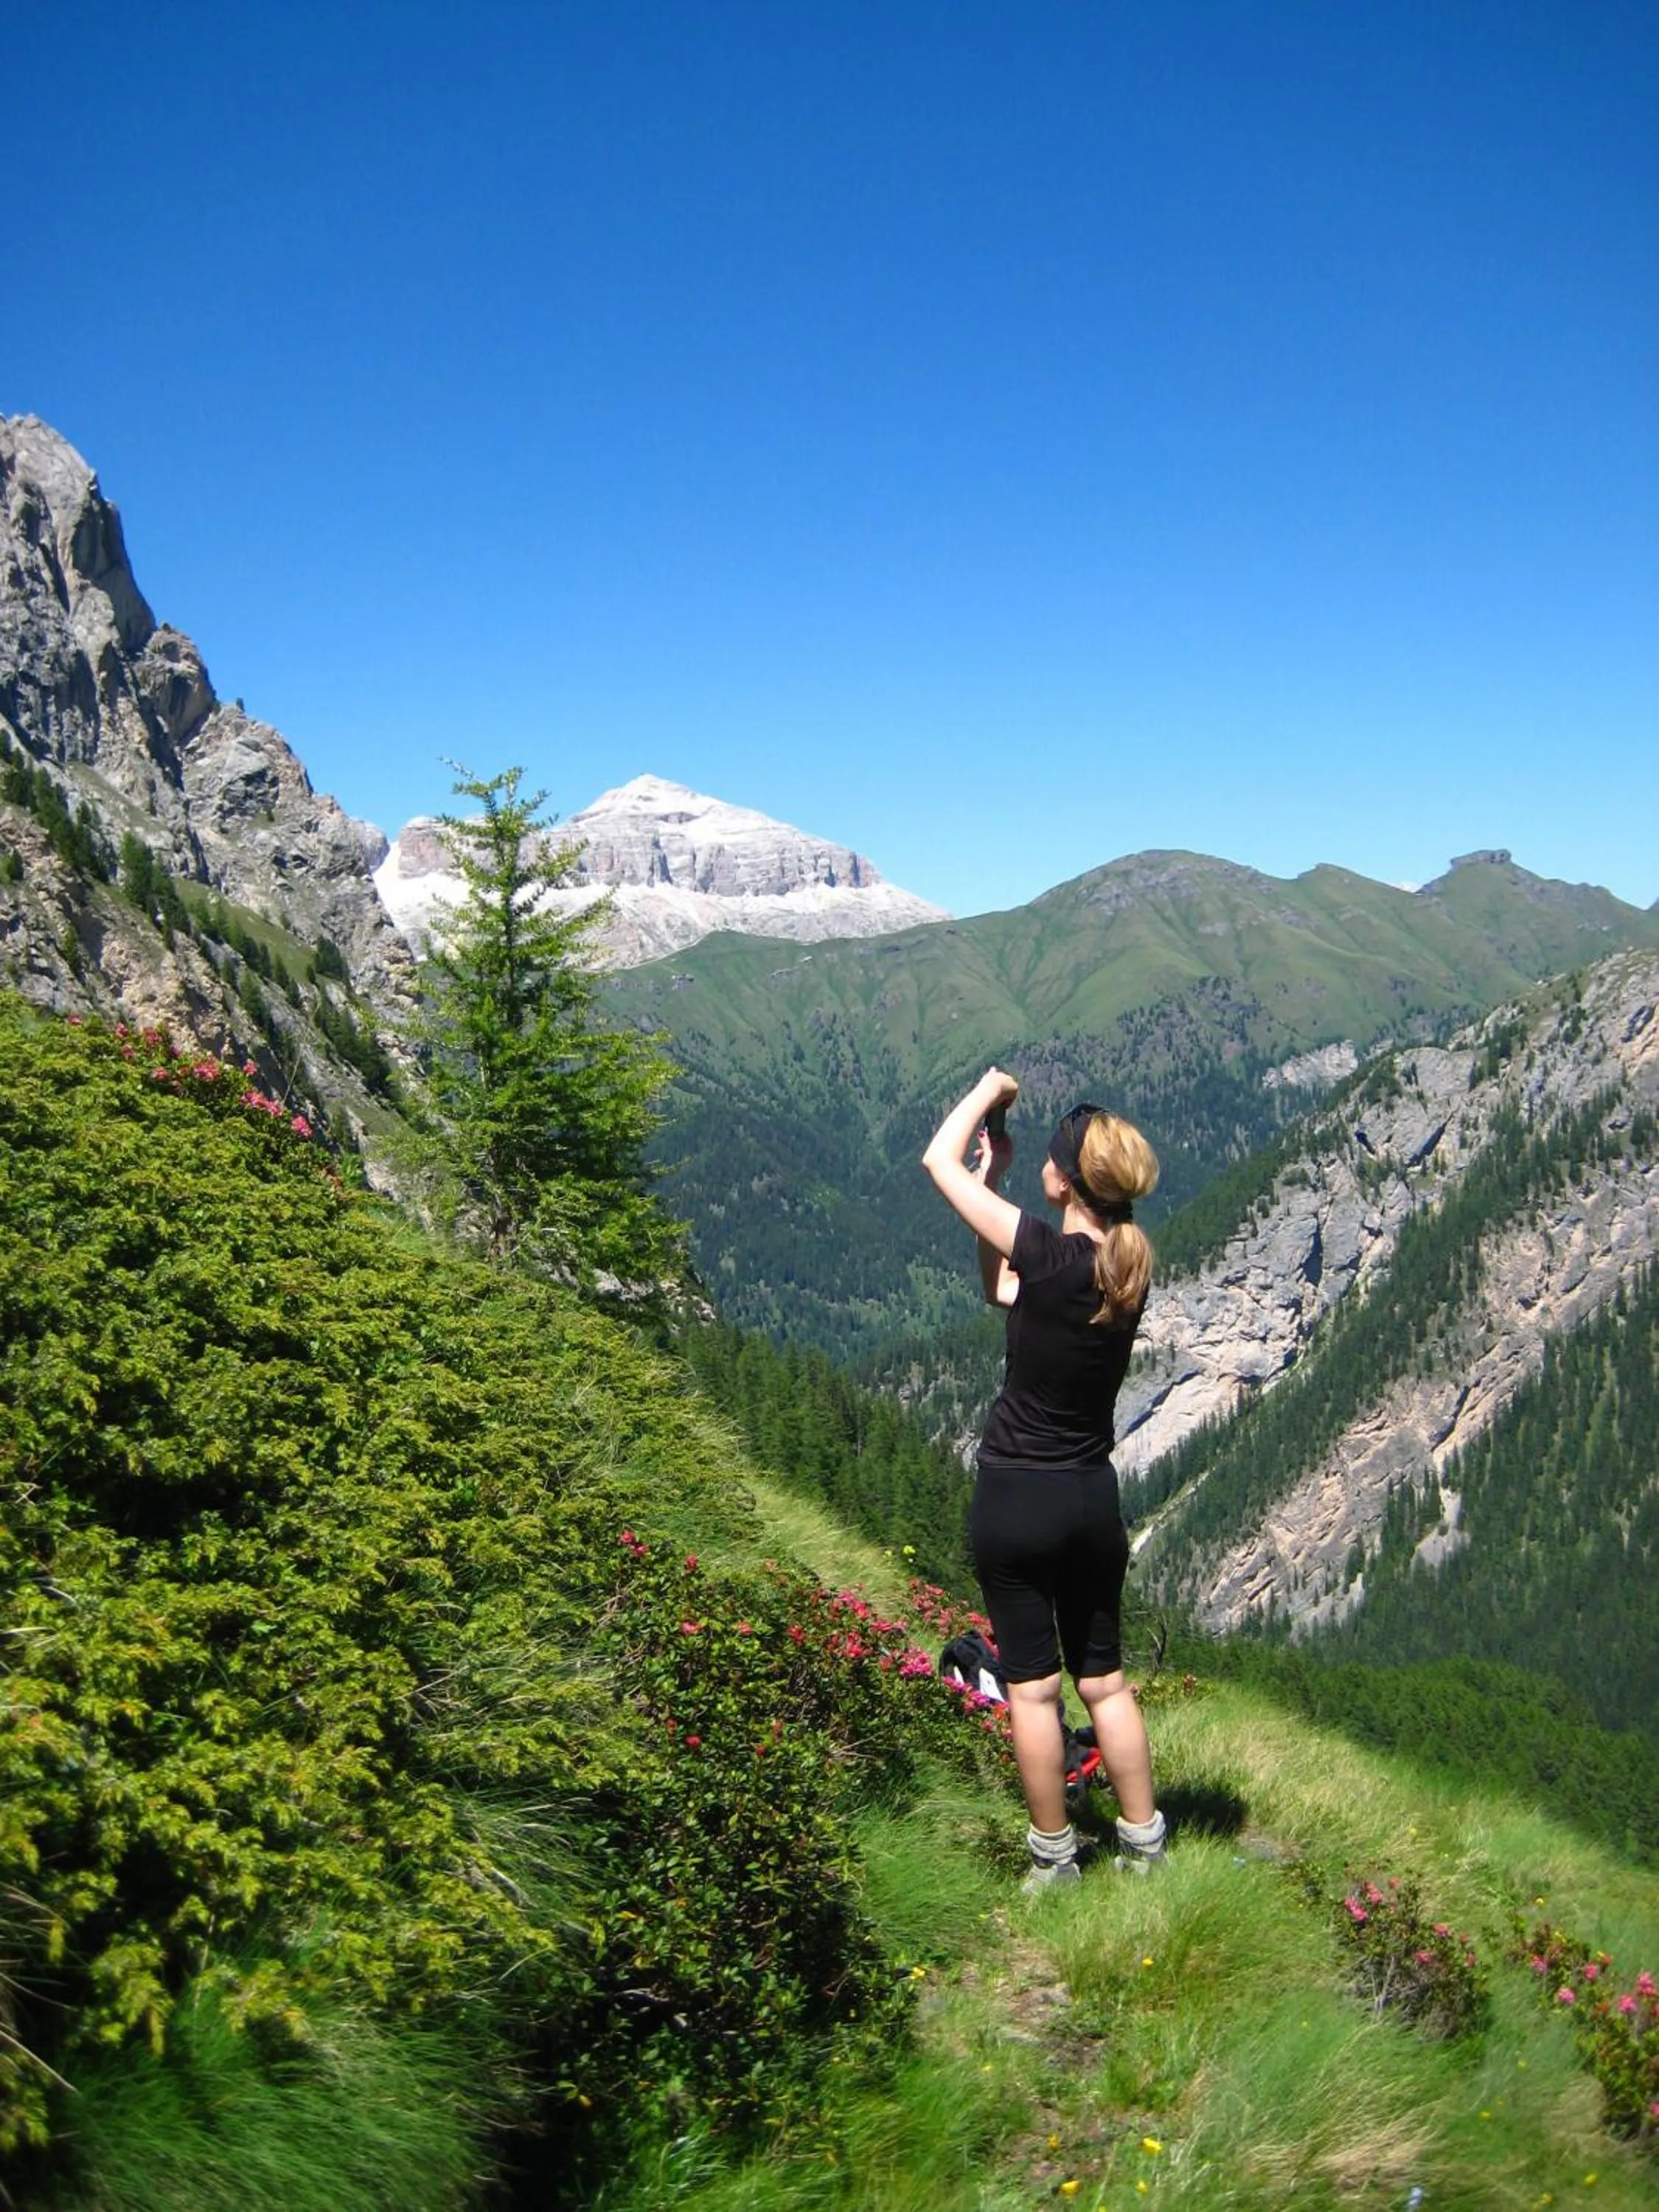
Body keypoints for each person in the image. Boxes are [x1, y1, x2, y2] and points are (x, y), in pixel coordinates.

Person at [922, 1066, 1166, 1893]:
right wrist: (998, 1178)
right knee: (1106, 1682)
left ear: (1064, 1178)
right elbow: (1001, 1290)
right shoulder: (1123, 1268)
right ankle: (1144, 1844)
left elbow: (935, 1163)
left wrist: (987, 1097)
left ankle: (1056, 1862)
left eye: (1050, 1161)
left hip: (1019, 1496)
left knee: (1033, 1693)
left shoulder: (1049, 1250)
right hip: (1091, 1501)